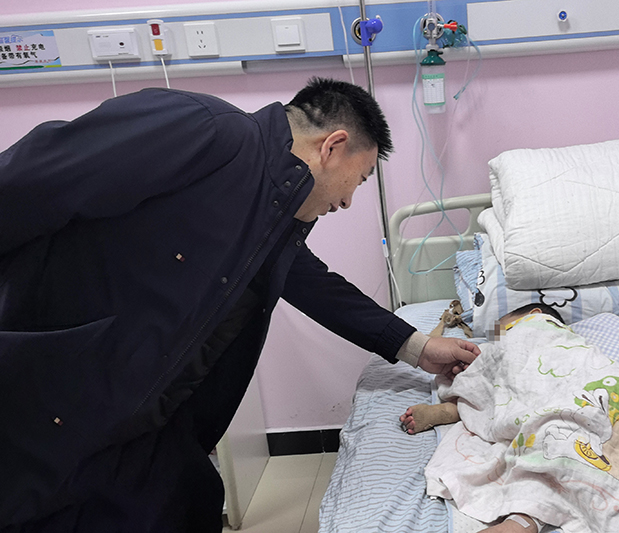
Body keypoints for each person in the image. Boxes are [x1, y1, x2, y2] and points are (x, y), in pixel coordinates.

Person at [0, 78, 480, 532]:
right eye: (360, 178)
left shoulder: (274, 217)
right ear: (332, 147)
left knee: (188, 505)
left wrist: (417, 347)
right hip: (58, 400)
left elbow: (318, 288)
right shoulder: (201, 129)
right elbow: (28, 180)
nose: (350, 201)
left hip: (152, 426)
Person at [399, 303, 563, 533]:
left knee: (562, 439)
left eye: (502, 329)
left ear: (535, 316)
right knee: (550, 443)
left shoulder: (562, 342)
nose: (496, 338)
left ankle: (523, 521)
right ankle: (525, 520)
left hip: (554, 397)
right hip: (524, 405)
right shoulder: (502, 348)